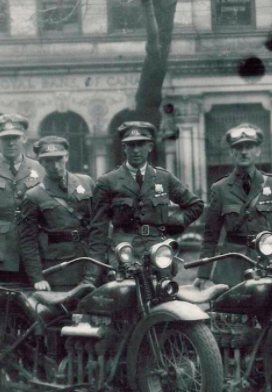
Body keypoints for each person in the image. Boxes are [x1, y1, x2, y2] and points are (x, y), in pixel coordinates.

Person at [83, 122, 203, 284]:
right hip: (124, 252)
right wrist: (93, 272)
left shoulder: (164, 178)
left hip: (157, 252)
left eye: (141, 144)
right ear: (124, 148)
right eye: (131, 145)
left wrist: (173, 222)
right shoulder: (108, 181)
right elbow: (98, 230)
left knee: (164, 295)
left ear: (150, 147)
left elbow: (195, 205)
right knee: (125, 298)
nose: (136, 150)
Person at [194, 124, 272, 289]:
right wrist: (203, 274)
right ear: (232, 152)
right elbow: (211, 235)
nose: (244, 152)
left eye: (249, 147)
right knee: (230, 312)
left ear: (258, 151)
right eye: (238, 147)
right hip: (231, 265)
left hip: (268, 262)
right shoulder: (220, 188)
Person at [18, 137, 95, 292]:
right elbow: (28, 240)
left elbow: (101, 223)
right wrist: (37, 277)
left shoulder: (86, 182)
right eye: (48, 161)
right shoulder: (34, 195)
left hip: (91, 263)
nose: (55, 166)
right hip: (60, 268)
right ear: (41, 162)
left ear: (66, 156)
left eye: (59, 159)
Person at [0, 114, 45, 286]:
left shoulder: (39, 168)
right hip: (1, 252)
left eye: (15, 138)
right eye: (5, 139)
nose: (10, 143)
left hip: (35, 249)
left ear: (24, 138)